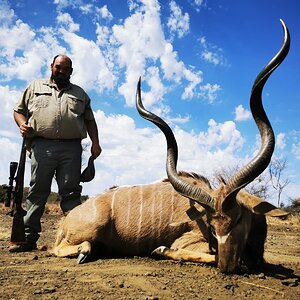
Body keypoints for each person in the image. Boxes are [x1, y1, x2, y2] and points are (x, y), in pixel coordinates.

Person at [10, 54, 102, 252]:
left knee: (71, 193)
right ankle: (27, 238)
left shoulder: (80, 93)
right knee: (37, 192)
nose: (62, 71)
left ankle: (78, 237)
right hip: (41, 146)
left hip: (71, 148)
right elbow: (18, 111)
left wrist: (96, 143)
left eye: (66, 69)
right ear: (52, 66)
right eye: (58, 67)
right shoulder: (35, 87)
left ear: (71, 71)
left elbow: (90, 120)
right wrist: (22, 124)